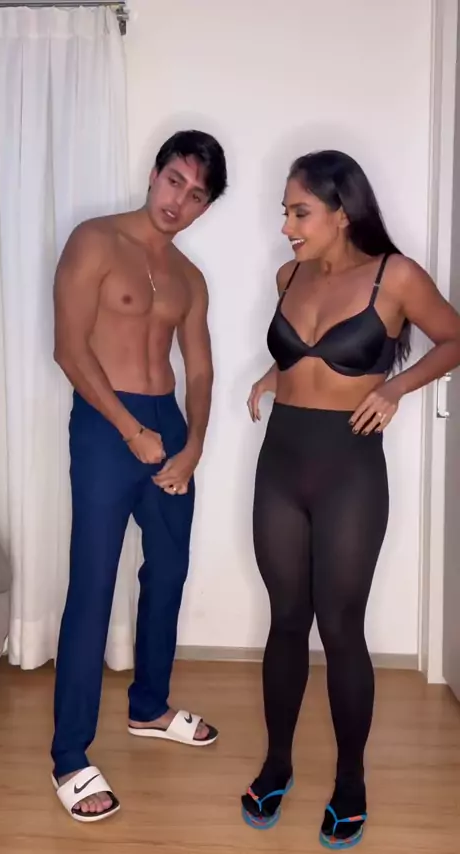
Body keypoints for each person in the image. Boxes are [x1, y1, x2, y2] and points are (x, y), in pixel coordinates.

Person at [241, 149, 460, 849]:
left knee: (339, 627)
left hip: (349, 472)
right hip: (280, 464)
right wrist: (272, 377)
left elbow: (454, 337)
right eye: (285, 211)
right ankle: (277, 766)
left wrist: (394, 388)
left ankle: (351, 782)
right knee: (285, 620)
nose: (287, 226)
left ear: (341, 212)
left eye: (299, 212)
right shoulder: (289, 276)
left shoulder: (396, 277)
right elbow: (299, 356)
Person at [51, 129, 227, 822]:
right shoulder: (94, 240)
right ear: (154, 174)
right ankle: (70, 756)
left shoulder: (190, 277)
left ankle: (149, 707)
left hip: (169, 429)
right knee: (93, 584)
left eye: (197, 194)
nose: (179, 200)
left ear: (205, 206)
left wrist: (194, 446)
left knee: (169, 572)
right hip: (106, 425)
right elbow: (69, 349)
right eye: (175, 180)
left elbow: (201, 369)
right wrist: (130, 430)